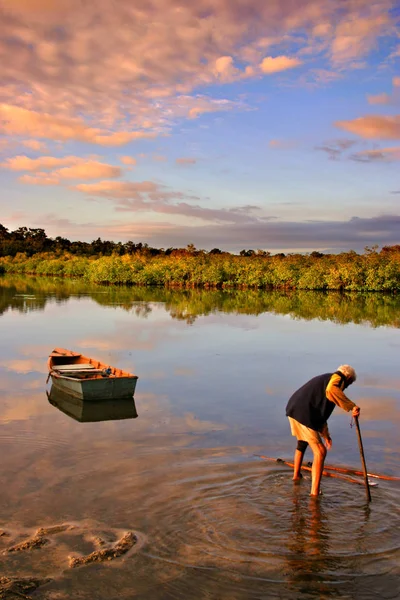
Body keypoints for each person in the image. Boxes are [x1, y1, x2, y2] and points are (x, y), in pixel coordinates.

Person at [285, 365, 360, 496]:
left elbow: (320, 415)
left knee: (303, 442)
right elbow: (332, 390)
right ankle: (314, 493)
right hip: (303, 413)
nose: (347, 387)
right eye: (350, 383)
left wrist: (326, 436)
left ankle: (296, 476)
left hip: (294, 409)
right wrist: (352, 406)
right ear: (348, 377)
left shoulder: (327, 379)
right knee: (320, 451)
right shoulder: (337, 379)